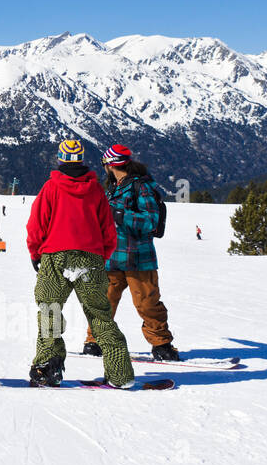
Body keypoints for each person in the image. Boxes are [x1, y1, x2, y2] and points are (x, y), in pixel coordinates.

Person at [25, 139, 132, 388]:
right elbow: (108, 230)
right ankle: (120, 374)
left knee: (50, 310)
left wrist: (35, 252)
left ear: (61, 158)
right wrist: (100, 256)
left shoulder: (51, 188)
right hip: (91, 258)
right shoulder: (95, 190)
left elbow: (36, 224)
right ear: (82, 159)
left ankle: (46, 369)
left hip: (56, 257)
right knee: (100, 315)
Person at [82, 143, 178, 362]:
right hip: (112, 257)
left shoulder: (141, 187)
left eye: (104, 164)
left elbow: (150, 221)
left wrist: (119, 215)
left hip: (138, 258)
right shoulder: (114, 187)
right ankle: (95, 341)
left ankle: (162, 344)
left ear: (111, 164)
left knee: (147, 303)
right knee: (102, 301)